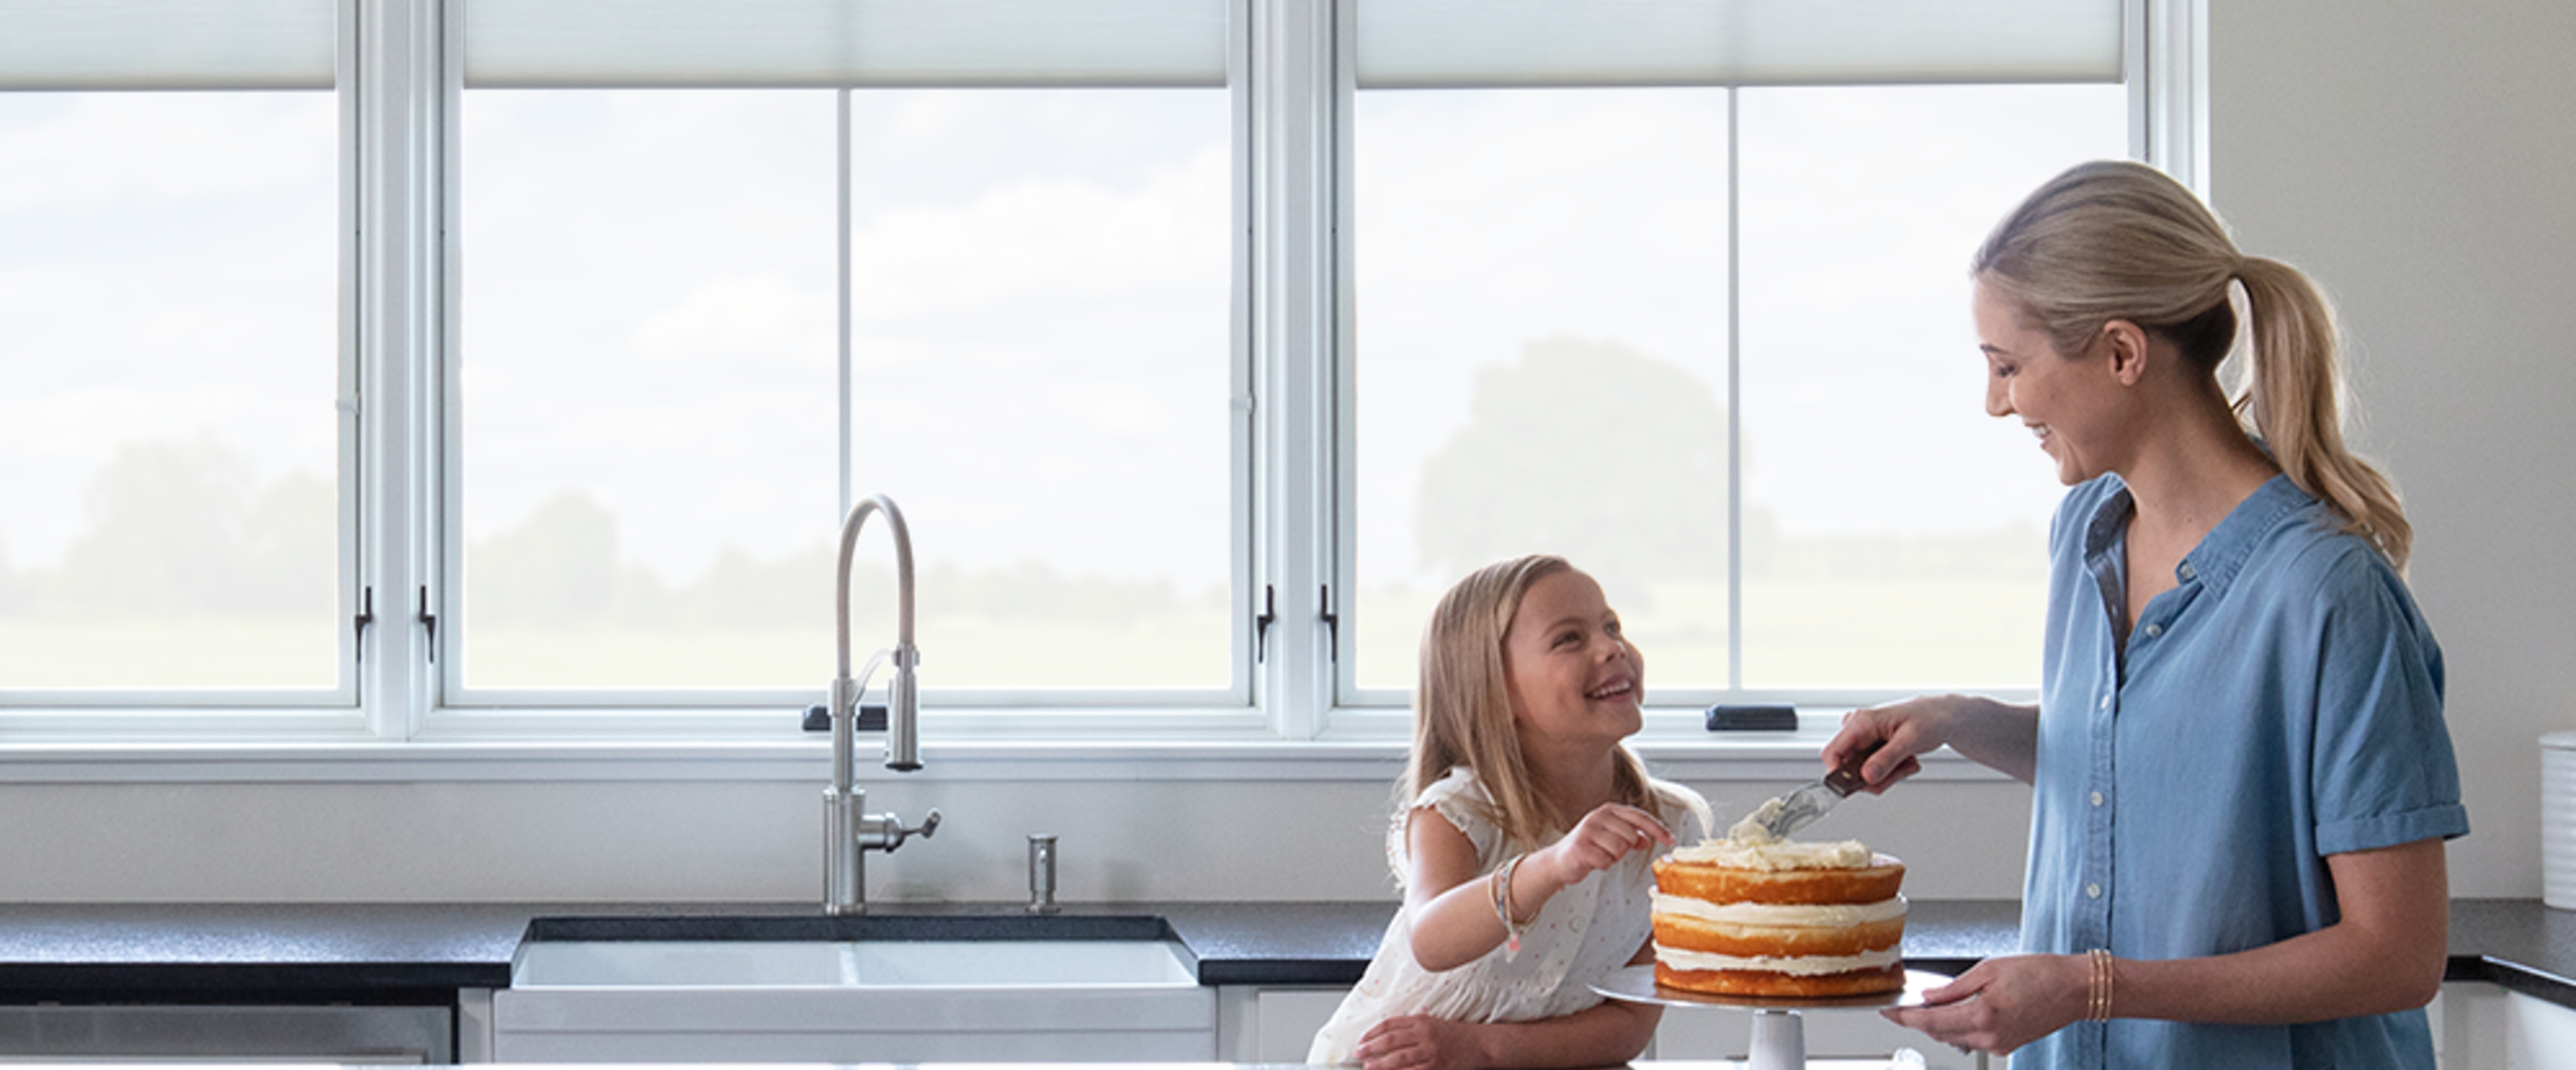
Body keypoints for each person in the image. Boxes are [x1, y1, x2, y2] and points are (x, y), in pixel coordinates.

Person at [1830, 159, 2467, 1066]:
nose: (1996, 402)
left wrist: (2093, 986)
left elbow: (2396, 957)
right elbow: (2142, 763)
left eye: (2009, 366)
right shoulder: (2086, 529)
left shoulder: (2329, 595)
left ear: (2123, 353)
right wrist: (1957, 721)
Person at [1309, 554, 1712, 1070]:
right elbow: (1431, 937)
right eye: (1570, 638)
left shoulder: (1665, 827)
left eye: (1611, 626)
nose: (1612, 647)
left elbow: (1629, 1024)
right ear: (1495, 692)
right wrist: (1552, 864)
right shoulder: (1458, 811)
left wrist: (1482, 1048)